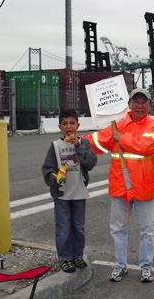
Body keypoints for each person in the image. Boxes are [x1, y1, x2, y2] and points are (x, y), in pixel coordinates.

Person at [81, 88, 154, 283]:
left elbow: (146, 146)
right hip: (121, 186)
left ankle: (146, 266)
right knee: (118, 228)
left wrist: (121, 139)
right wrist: (77, 141)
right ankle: (120, 265)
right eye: (136, 101)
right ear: (129, 104)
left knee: (147, 230)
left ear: (150, 105)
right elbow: (97, 141)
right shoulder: (117, 125)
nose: (140, 105)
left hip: (144, 187)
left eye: (144, 102)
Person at [42, 109, 97, 273]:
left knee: (78, 227)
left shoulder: (83, 143)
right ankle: (65, 258)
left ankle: (77, 255)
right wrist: (54, 178)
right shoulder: (55, 146)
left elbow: (90, 163)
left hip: (79, 193)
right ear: (60, 127)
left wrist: (78, 146)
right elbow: (47, 169)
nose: (69, 126)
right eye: (65, 123)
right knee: (63, 227)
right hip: (62, 195)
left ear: (78, 125)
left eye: (72, 123)